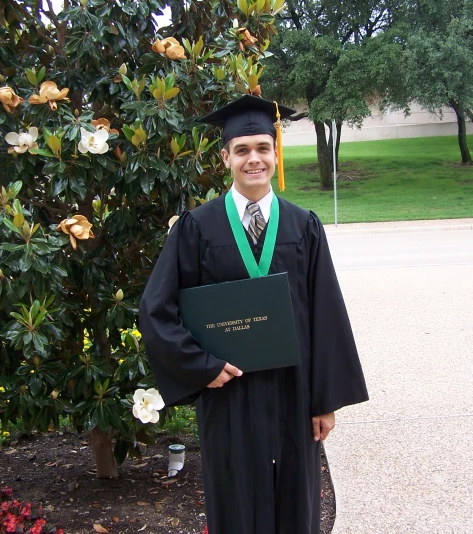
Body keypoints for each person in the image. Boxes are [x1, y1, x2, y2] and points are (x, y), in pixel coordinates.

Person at [139, 95, 368, 534]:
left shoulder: (304, 227)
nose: (254, 159)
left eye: (263, 148)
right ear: (225, 157)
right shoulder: (197, 228)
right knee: (235, 495)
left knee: (295, 499)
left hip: (293, 391)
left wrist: (325, 401)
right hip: (229, 392)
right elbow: (155, 309)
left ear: (275, 153)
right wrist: (201, 367)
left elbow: (327, 315)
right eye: (242, 150)